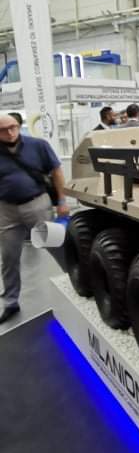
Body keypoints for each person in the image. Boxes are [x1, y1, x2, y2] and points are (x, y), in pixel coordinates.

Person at [0, 114, 69, 323]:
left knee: (56, 247)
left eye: (13, 127)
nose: (10, 133)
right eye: (3, 130)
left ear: (19, 125)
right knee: (9, 257)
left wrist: (62, 200)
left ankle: (77, 286)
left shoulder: (38, 145)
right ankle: (11, 302)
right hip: (6, 210)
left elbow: (56, 171)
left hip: (37, 204)